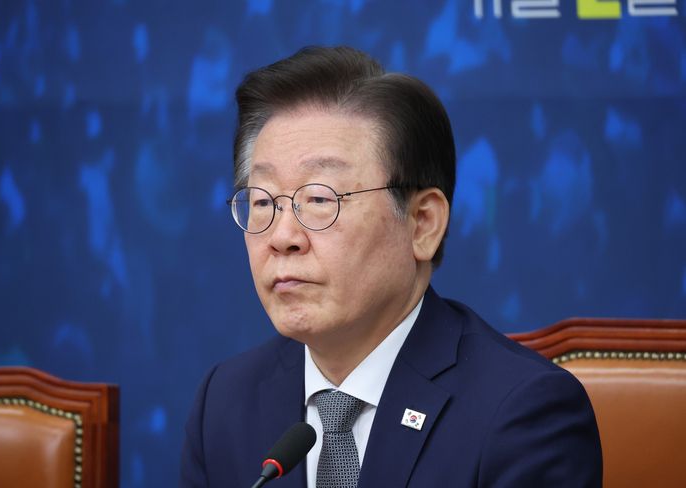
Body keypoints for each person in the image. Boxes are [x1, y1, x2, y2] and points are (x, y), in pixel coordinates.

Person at [180, 46, 602, 487]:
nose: (283, 236)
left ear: (423, 223)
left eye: (320, 199)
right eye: (264, 202)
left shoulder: (522, 414)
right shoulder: (224, 404)